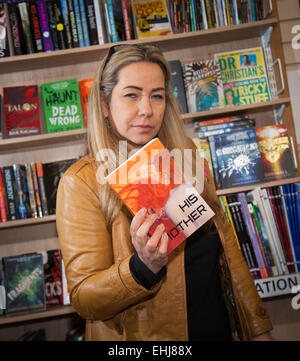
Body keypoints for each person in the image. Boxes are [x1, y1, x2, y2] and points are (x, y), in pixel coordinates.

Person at [56, 44, 273, 341]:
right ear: (105, 104)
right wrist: (142, 267)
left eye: (157, 96)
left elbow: (229, 252)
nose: (147, 109)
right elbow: (84, 299)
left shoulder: (189, 161)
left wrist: (258, 329)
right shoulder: (81, 182)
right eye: (131, 94)